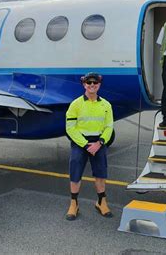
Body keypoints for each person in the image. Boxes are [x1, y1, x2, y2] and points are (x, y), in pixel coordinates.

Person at [65, 72, 114, 220]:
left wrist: (100, 143)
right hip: (81, 143)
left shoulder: (106, 105)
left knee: (100, 174)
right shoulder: (75, 104)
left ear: (99, 85)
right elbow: (70, 128)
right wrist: (86, 145)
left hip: (98, 143)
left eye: (95, 83)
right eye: (89, 83)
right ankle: (74, 203)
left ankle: (101, 202)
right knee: (75, 175)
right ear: (84, 84)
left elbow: (109, 127)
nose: (92, 85)